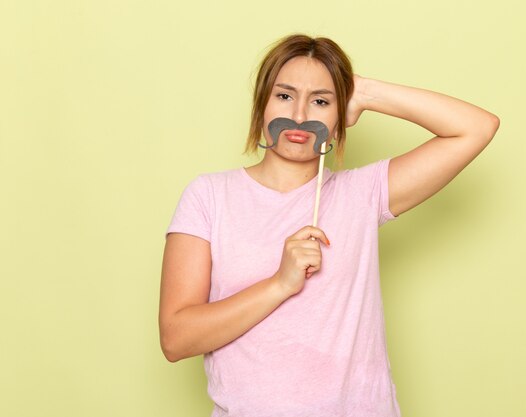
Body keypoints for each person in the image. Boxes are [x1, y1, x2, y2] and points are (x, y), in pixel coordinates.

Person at [159, 34, 499, 416]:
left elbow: (476, 128)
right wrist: (279, 284)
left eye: (321, 101)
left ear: (340, 118)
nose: (301, 116)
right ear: (261, 105)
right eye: (284, 96)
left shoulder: (364, 193)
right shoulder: (208, 196)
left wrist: (365, 91)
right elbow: (176, 338)